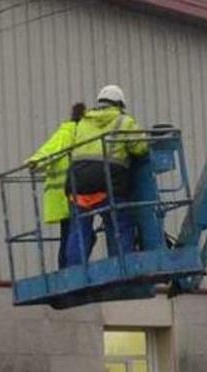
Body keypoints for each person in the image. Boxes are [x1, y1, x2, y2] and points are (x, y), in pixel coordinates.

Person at [65, 85, 150, 265]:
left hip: (77, 186)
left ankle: (74, 270)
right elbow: (140, 147)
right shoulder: (123, 121)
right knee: (120, 224)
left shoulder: (82, 122)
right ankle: (123, 265)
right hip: (107, 185)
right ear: (120, 104)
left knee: (79, 230)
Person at [26, 102, 87, 268]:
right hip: (71, 196)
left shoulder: (68, 132)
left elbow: (49, 150)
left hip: (65, 196)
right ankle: (70, 270)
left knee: (69, 235)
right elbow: (50, 150)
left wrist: (35, 162)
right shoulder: (75, 133)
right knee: (73, 235)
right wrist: (35, 161)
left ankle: (67, 270)